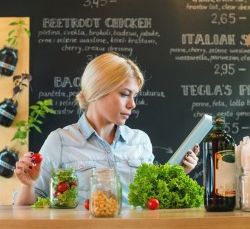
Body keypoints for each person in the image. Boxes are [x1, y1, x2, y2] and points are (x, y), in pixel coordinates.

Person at [14, 52, 199, 206]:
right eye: (125, 94)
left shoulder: (140, 141)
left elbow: (153, 200)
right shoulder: (60, 141)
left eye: (134, 96)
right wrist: (28, 186)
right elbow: (26, 208)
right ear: (97, 91)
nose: (132, 104)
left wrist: (179, 172)